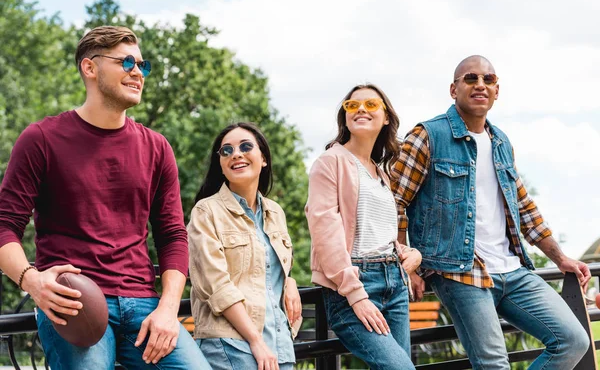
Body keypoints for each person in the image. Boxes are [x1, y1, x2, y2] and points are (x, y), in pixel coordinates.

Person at [0, 26, 210, 369]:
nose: (137, 73)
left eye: (143, 65)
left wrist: (169, 309)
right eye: (126, 62)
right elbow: (5, 226)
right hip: (74, 304)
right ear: (90, 67)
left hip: (144, 307)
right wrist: (32, 282)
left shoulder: (157, 148)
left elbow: (172, 235)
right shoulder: (40, 139)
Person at [391, 55, 591, 369]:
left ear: (497, 90)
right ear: (453, 89)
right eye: (470, 78)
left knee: (573, 341)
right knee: (495, 364)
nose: (480, 85)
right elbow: (394, 201)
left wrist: (560, 258)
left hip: (513, 270)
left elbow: (524, 208)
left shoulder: (501, 143)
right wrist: (409, 265)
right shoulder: (427, 136)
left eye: (488, 79)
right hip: (459, 270)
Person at [305, 84, 421, 370]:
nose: (360, 109)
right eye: (352, 105)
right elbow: (325, 233)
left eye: (371, 105)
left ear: (385, 118)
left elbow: (374, 232)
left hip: (394, 283)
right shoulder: (330, 162)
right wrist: (356, 296)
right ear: (344, 118)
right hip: (353, 284)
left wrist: (408, 252)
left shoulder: (380, 172)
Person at [187, 122, 302, 370]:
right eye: (226, 151)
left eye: (245, 146)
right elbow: (215, 285)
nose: (235, 154)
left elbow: (271, 264)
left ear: (263, 159)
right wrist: (256, 340)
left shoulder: (275, 212)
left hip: (279, 344)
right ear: (220, 164)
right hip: (232, 344)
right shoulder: (206, 211)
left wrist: (289, 280)